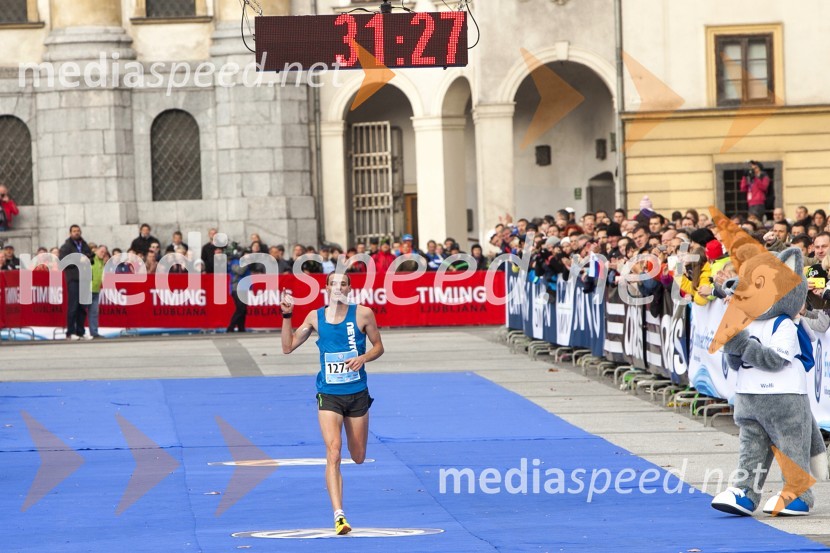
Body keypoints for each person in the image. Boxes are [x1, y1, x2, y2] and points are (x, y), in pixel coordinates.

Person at [280, 272, 384, 535]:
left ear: (350, 288)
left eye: (343, 284)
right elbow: (288, 346)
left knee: (358, 456)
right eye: (333, 284)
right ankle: (339, 515)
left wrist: (364, 358)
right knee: (333, 452)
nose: (338, 288)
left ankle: (341, 506)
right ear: (325, 288)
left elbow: (379, 347)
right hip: (329, 394)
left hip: (357, 392)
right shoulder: (315, 317)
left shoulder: (363, 314)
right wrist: (287, 316)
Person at [58, 225, 95, 340]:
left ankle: (81, 331)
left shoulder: (83, 244)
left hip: (85, 278)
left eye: (78, 231)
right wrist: (79, 260)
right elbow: (63, 261)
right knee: (73, 306)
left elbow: (91, 259)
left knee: (83, 306)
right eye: (74, 231)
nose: (76, 233)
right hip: (73, 278)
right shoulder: (66, 246)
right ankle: (70, 331)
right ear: (70, 233)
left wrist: (88, 258)